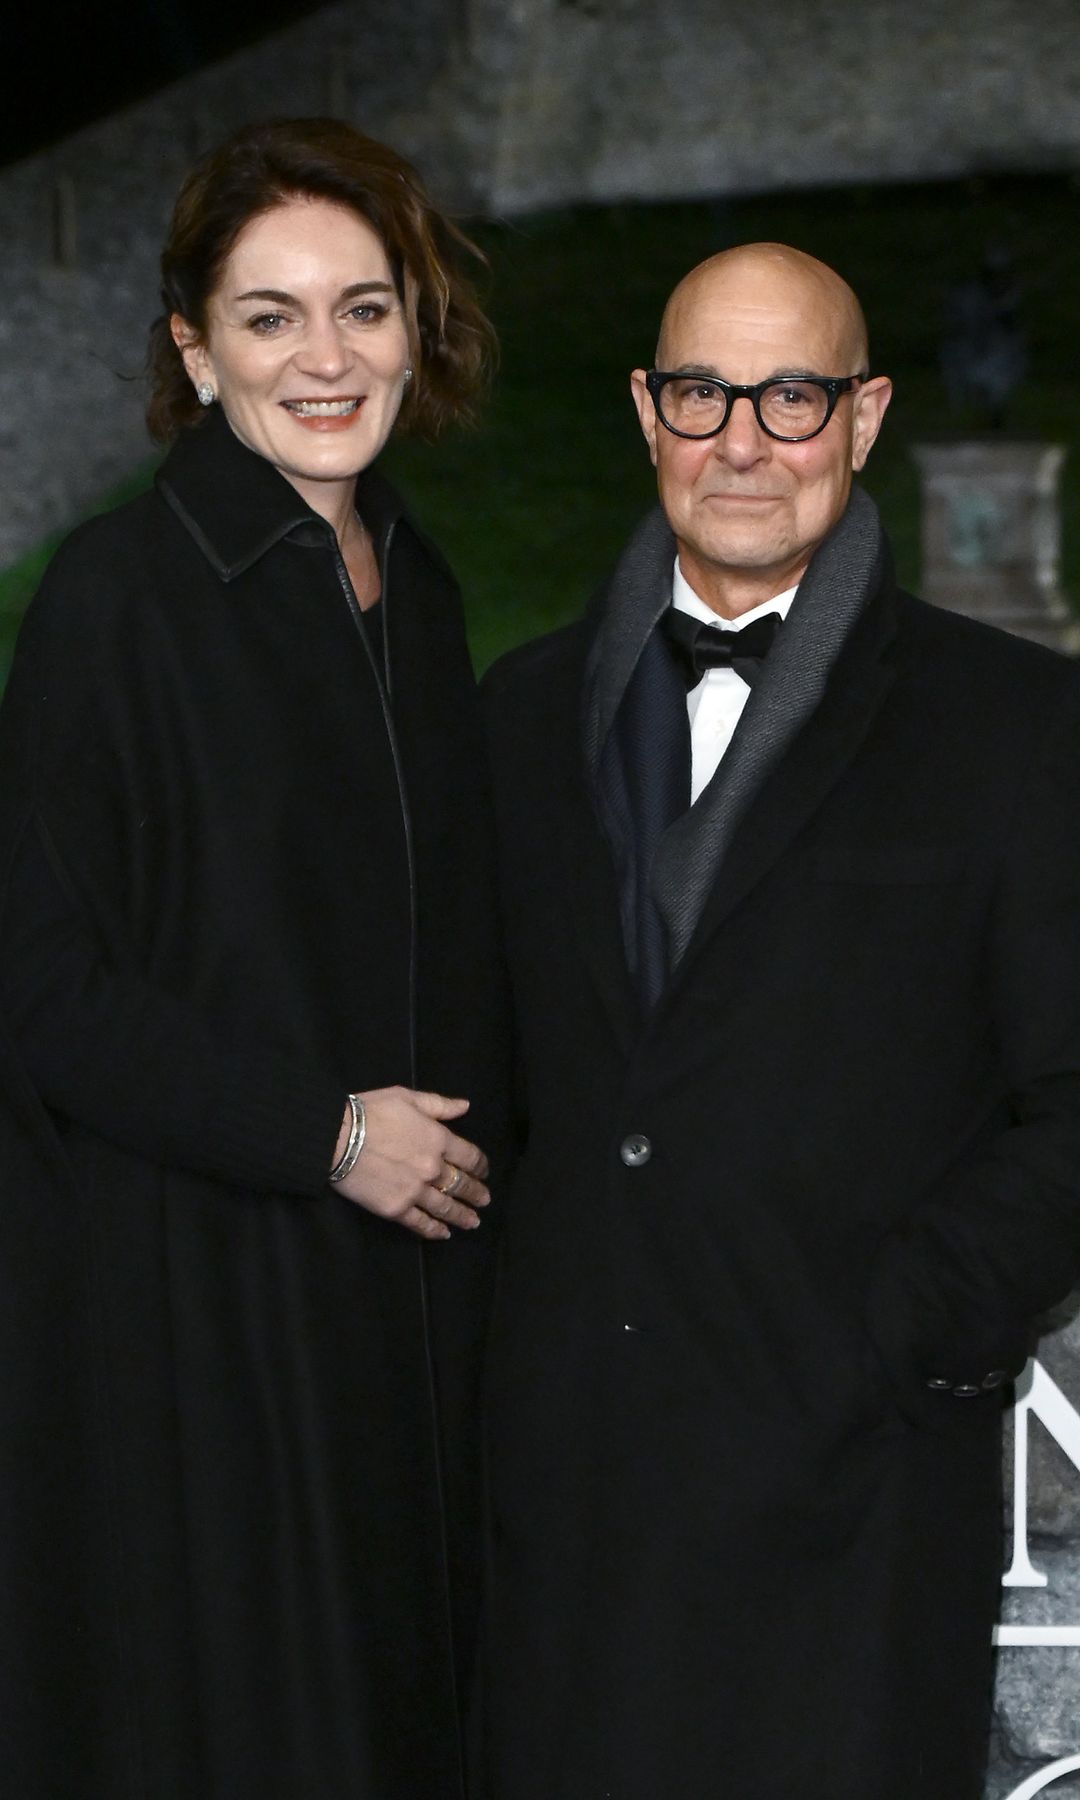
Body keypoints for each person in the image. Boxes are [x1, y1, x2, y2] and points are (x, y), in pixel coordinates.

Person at [479, 242, 1080, 1798]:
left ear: (864, 416)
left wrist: (900, 1333)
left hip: (853, 1520)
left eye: (791, 394)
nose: (742, 439)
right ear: (644, 409)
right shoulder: (513, 719)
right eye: (702, 392)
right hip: (562, 1524)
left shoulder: (1018, 730)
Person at [0, 118, 507, 1799]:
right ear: (191, 344)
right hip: (203, 1313)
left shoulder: (418, 591)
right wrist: (328, 1135)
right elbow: (41, 988)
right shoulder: (118, 600)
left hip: (403, 1316)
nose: (325, 356)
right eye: (270, 314)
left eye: (364, 308)